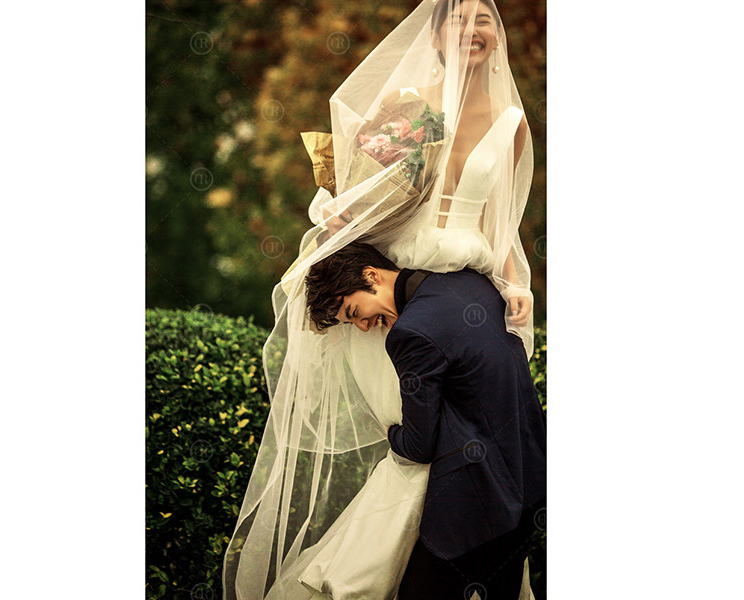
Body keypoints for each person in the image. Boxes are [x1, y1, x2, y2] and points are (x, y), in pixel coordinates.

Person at [223, 2, 540, 599]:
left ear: (496, 35)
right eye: (459, 18)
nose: (473, 30)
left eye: (484, 18)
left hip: (464, 293)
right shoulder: (409, 105)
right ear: (436, 34)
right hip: (399, 300)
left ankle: (429, 575)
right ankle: (379, 577)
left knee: (463, 441)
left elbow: (501, 222)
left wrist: (514, 284)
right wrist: (341, 212)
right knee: (421, 442)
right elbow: (364, 190)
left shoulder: (513, 121)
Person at [304, 241, 546, 599]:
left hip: (475, 505)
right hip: (530, 481)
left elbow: (419, 446)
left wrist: (392, 432)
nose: (364, 327)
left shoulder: (411, 334)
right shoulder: (472, 282)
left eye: (354, 312)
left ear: (371, 275)